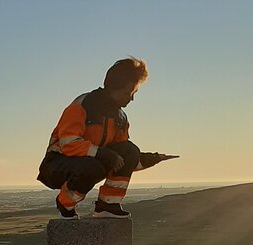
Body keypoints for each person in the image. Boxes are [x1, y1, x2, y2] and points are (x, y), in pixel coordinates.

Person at [37, 57, 174, 219]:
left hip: (91, 162)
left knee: (129, 149)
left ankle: (108, 204)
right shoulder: (83, 105)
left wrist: (153, 158)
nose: (131, 99)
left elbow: (124, 157)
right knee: (92, 166)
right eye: (129, 93)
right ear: (113, 88)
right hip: (57, 165)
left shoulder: (120, 117)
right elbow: (69, 143)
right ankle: (65, 203)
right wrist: (103, 153)